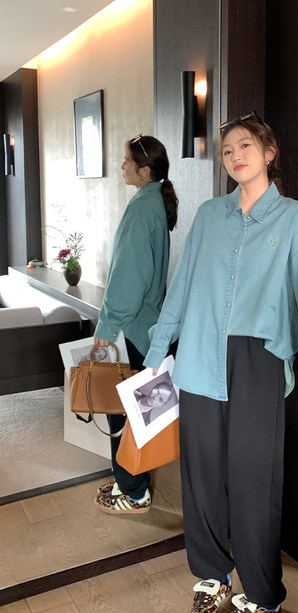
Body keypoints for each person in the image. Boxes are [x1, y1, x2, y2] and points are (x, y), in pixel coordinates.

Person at [144, 113, 298, 613]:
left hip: (258, 363)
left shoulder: (294, 220)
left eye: (245, 145)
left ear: (269, 152)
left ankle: (263, 595)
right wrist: (157, 348)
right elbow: (181, 287)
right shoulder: (209, 215)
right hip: (199, 356)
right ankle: (211, 577)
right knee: (201, 475)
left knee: (253, 481)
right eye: (226, 150)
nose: (235, 156)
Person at [94, 134, 178, 515]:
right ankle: (131, 484)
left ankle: (133, 492)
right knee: (137, 410)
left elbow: (128, 278)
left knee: (124, 410)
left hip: (131, 327)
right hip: (148, 327)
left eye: (127, 161)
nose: (122, 166)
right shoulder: (154, 202)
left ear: (144, 172)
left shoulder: (143, 208)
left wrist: (107, 326)